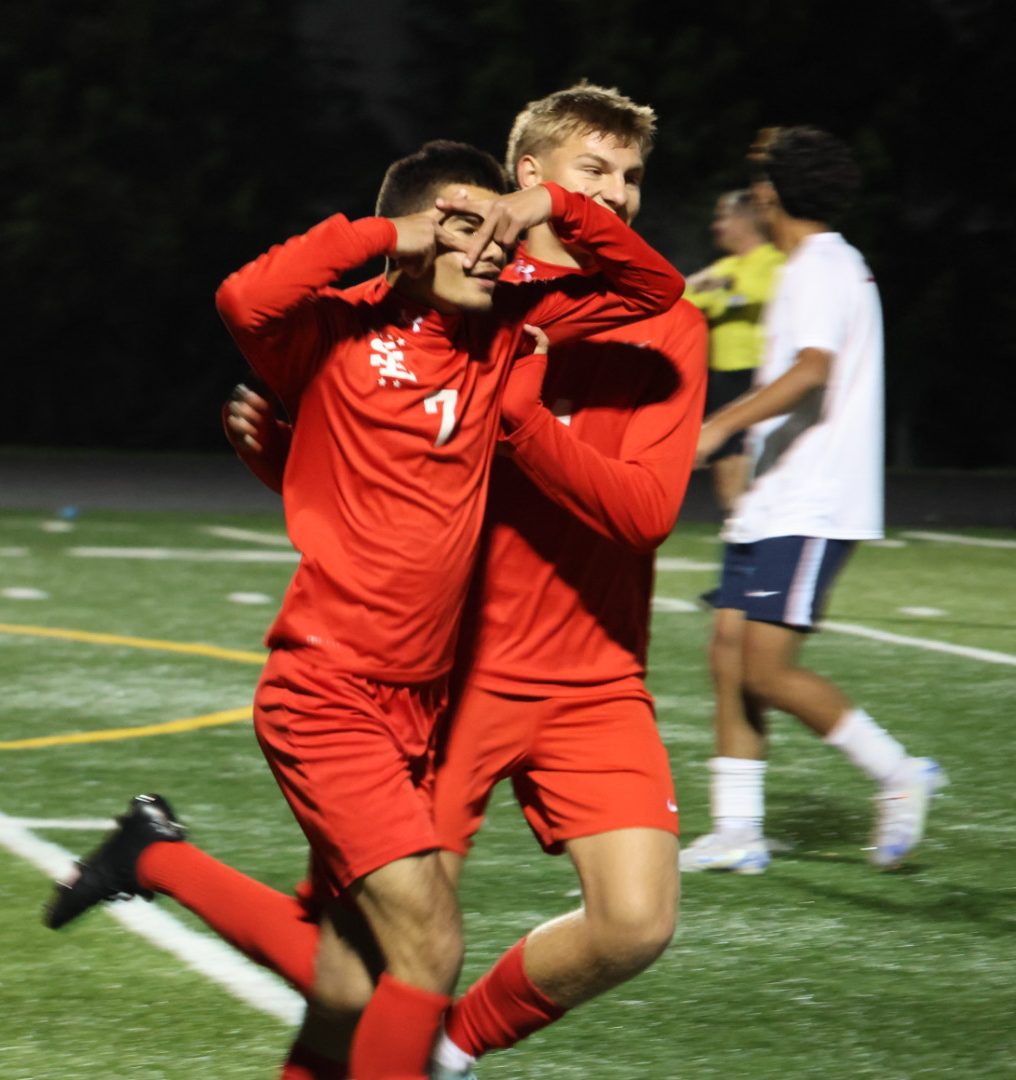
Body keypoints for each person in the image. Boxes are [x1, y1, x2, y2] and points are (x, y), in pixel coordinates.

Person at [44, 138, 683, 1080]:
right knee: (429, 948)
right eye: (467, 228)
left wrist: (536, 212)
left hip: (420, 708)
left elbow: (652, 289)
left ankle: (154, 856)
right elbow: (243, 298)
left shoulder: (507, 323)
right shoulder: (336, 329)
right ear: (420, 233)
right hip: (328, 690)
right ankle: (152, 858)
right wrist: (394, 231)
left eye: (495, 235)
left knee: (348, 983)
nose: (489, 252)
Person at [227, 83, 708, 1079]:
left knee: (636, 923)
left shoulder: (659, 324)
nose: (618, 194)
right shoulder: (477, 296)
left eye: (631, 179)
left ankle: (445, 1048)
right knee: (368, 970)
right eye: (594, 172)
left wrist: (525, 423)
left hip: (591, 675)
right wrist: (293, 456)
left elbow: (645, 513)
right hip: (460, 677)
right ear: (526, 176)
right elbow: (410, 475)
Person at [680, 126, 945, 876]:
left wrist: (720, 427)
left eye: (757, 180)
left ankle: (899, 773)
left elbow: (812, 370)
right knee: (728, 654)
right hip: (776, 498)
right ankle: (738, 831)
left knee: (764, 668)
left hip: (811, 503)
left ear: (771, 193)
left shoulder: (821, 266)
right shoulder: (811, 266)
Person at [683, 189, 783, 515]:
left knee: (757, 469)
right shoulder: (725, 267)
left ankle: (755, 535)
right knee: (726, 468)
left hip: (761, 379)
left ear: (744, 221)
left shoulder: (776, 261)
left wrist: (726, 287)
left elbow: (766, 292)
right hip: (724, 382)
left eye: (722, 217)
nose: (716, 226)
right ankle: (740, 532)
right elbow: (681, 297)